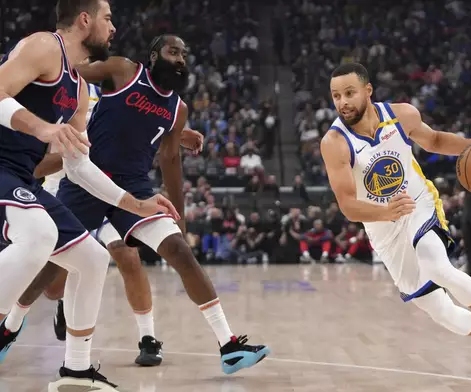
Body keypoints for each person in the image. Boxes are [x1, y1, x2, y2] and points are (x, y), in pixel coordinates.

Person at [0, 33, 270, 376]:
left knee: (179, 251)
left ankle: (228, 345)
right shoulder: (124, 71)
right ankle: (11, 325)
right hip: (88, 178)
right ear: (154, 54)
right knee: (51, 270)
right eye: (174, 51)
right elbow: (74, 74)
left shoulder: (179, 109)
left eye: (185, 54)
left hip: (134, 188)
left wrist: (180, 218)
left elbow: (171, 161)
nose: (181, 59)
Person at [321, 63, 471, 376]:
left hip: (418, 204)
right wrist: (386, 212)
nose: (342, 101)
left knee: (438, 266)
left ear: (368, 91)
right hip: (382, 227)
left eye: (349, 93)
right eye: (336, 96)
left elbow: (436, 141)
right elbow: (347, 205)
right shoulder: (334, 142)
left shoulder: (401, 115)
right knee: (441, 312)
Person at [0, 0, 180, 390]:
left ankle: (76, 371)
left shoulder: (80, 90)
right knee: (40, 234)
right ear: (85, 19)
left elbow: (78, 166)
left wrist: (134, 203)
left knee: (93, 258)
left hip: (21, 178)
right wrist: (41, 128)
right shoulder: (43, 46)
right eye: (108, 18)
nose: (114, 28)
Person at [10, 81, 204, 368]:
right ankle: (49, 309)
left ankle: (148, 337)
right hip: (67, 186)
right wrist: (72, 157)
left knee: (128, 256)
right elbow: (51, 154)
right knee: (53, 284)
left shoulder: (109, 92)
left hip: (112, 187)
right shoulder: (53, 94)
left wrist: (179, 133)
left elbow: (138, 127)